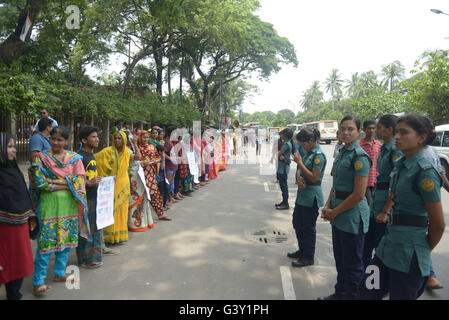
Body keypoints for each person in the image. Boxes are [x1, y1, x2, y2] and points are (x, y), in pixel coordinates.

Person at [358, 114, 445, 300]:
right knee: (366, 292)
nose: (397, 136)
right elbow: (393, 195)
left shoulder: (425, 171)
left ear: (421, 137)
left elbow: (438, 225)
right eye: (397, 132)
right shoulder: (401, 165)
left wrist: (419, 251)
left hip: (408, 254)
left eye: (404, 133)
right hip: (387, 247)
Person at [29, 126, 90, 296]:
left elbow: (80, 183)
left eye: (59, 140)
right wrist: (69, 183)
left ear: (67, 140)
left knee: (65, 240)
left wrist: (54, 181)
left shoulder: (74, 158)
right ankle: (38, 281)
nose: (55, 142)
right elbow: (40, 183)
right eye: (53, 139)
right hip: (49, 208)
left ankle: (59, 273)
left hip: (69, 207)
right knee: (46, 243)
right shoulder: (41, 158)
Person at [319, 116, 371, 300]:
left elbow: (358, 194)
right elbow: (336, 183)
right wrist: (328, 205)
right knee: (341, 261)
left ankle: (352, 296)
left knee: (353, 265)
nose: (346, 132)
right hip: (338, 212)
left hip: (351, 216)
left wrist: (335, 211)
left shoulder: (360, 157)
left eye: (351, 129)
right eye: (343, 129)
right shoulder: (342, 152)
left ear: (359, 132)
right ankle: (340, 294)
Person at [0, 132, 37, 300]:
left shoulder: (13, 170)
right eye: (9, 147)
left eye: (14, 146)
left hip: (18, 227)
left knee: (18, 263)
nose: (14, 150)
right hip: (3, 230)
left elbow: (22, 194)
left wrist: (30, 216)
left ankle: (14, 294)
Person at [362, 115, 402, 270]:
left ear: (389, 129)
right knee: (367, 244)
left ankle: (378, 285)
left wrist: (386, 211)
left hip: (385, 205)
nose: (375, 130)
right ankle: (367, 280)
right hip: (376, 202)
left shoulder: (394, 150)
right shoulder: (384, 148)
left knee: (380, 248)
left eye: (378, 127)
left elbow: (397, 185)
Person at [289, 129, 327, 267]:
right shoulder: (309, 153)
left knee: (308, 228)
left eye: (303, 144)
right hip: (302, 196)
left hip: (311, 197)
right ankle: (302, 250)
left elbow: (314, 176)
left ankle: (308, 256)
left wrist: (300, 163)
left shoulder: (319, 155)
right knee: (297, 223)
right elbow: (302, 171)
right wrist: (298, 177)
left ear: (311, 141)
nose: (302, 146)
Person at [76, 126, 106, 268]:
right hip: (85, 198)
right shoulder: (79, 157)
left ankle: (94, 257)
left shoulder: (91, 155)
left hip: (95, 196)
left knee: (95, 227)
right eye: (93, 137)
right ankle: (86, 259)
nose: (97, 139)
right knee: (86, 228)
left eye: (97, 137)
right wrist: (88, 182)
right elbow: (74, 179)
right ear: (84, 140)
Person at [96, 130, 132, 245]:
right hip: (111, 185)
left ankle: (121, 236)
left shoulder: (127, 151)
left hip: (124, 183)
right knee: (110, 209)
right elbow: (95, 159)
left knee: (122, 210)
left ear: (124, 140)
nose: (117, 140)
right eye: (115, 138)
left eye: (119, 138)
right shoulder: (107, 151)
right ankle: (109, 237)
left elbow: (137, 157)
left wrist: (135, 143)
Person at [138, 130, 172, 221]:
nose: (146, 139)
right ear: (139, 137)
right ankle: (144, 218)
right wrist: (141, 162)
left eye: (147, 137)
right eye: (143, 137)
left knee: (155, 194)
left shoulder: (152, 146)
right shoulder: (137, 148)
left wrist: (156, 161)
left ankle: (160, 213)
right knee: (142, 195)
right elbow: (135, 161)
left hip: (151, 175)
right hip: (141, 175)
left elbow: (157, 157)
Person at [128, 131, 156, 232]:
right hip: (131, 177)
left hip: (138, 176)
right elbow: (137, 158)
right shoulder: (127, 150)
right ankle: (133, 224)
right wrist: (135, 145)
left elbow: (136, 160)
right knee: (133, 200)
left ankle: (141, 222)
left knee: (141, 198)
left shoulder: (132, 149)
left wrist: (141, 162)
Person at [358, 119, 382, 207]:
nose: (371, 131)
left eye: (373, 128)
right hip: (363, 182)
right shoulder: (358, 145)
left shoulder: (379, 145)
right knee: (367, 206)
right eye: (369, 128)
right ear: (364, 130)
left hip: (376, 181)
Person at [275, 128, 293, 210]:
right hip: (283, 168)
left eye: (282, 134)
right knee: (283, 185)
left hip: (283, 169)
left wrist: (279, 155)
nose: (280, 135)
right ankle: (284, 201)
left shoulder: (286, 145)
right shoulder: (288, 143)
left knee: (283, 186)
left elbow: (278, 154)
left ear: (285, 135)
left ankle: (285, 203)